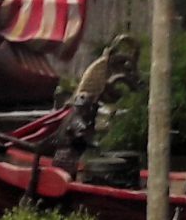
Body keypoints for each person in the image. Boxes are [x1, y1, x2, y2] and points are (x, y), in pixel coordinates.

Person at [49, 34, 140, 174]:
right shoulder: (78, 117)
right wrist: (90, 139)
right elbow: (80, 130)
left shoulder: (84, 113)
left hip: (73, 155)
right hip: (66, 158)